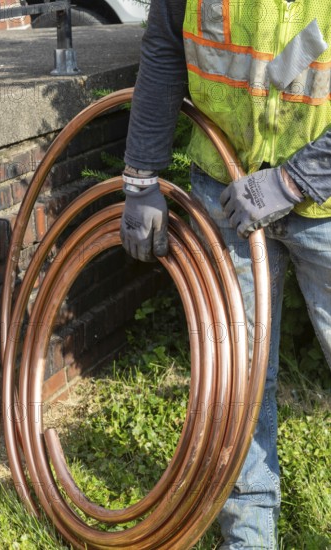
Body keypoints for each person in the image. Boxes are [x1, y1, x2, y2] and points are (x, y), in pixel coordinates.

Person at [120, 0, 331, 548]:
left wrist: (295, 181)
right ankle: (249, 536)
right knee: (236, 383)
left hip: (326, 204)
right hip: (225, 189)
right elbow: (167, 46)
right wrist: (140, 177)